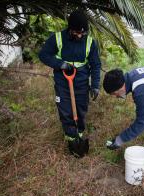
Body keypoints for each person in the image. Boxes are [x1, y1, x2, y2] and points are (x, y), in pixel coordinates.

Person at [39, 10, 101, 144]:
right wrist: (60, 64)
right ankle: (71, 138)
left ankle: (79, 133)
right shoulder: (57, 38)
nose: (79, 36)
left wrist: (95, 86)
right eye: (76, 32)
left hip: (81, 82)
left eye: (82, 33)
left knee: (81, 109)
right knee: (65, 110)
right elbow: (43, 55)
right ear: (70, 29)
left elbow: (96, 65)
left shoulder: (90, 42)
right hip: (63, 82)